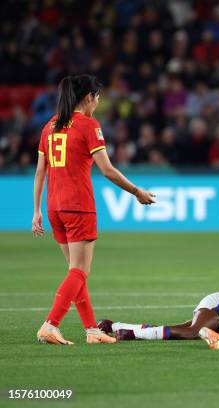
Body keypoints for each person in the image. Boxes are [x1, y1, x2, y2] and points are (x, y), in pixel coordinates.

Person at [33, 74, 155, 345]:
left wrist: (36, 211)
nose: (98, 103)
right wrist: (137, 192)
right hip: (78, 206)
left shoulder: (49, 126)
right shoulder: (88, 125)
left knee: (75, 271)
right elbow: (107, 170)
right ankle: (50, 324)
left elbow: (40, 171)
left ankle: (91, 330)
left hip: (54, 207)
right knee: (79, 271)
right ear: (89, 97)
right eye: (98, 98)